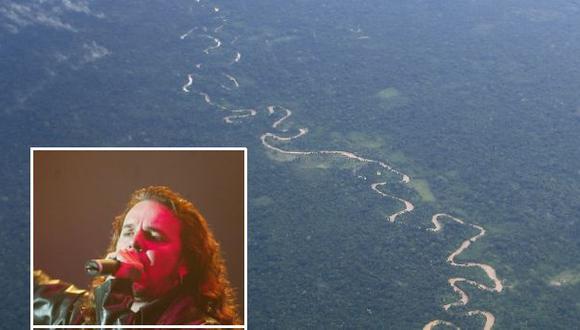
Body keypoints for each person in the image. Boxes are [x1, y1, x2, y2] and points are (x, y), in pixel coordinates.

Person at [34, 186, 240, 325]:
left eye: (153, 236)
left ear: (185, 263)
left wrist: (117, 289)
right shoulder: (82, 315)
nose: (134, 243)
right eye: (129, 232)